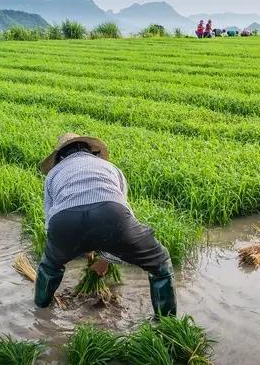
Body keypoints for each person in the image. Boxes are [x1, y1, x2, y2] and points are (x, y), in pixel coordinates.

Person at [34, 133, 176, 317]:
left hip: (64, 221)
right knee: (160, 263)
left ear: (60, 156)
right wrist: (105, 260)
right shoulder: (110, 167)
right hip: (110, 212)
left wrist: (71, 247)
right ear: (92, 151)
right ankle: (166, 324)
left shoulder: (53, 174)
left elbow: (51, 221)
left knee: (49, 266)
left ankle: (40, 313)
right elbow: (122, 216)